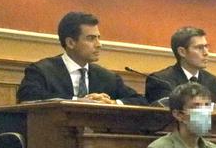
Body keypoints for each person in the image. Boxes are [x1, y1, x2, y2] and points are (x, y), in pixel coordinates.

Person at [16, 12, 146, 105]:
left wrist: (113, 102)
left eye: (98, 38)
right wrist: (78, 101)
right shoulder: (42, 71)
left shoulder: (107, 77)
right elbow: (28, 98)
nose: (99, 45)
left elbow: (140, 101)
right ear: (70, 43)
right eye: (90, 38)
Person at [144, 26, 216, 113]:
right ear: (182, 52)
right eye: (199, 48)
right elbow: (170, 114)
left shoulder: (214, 82)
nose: (206, 53)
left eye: (206, 47)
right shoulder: (161, 81)